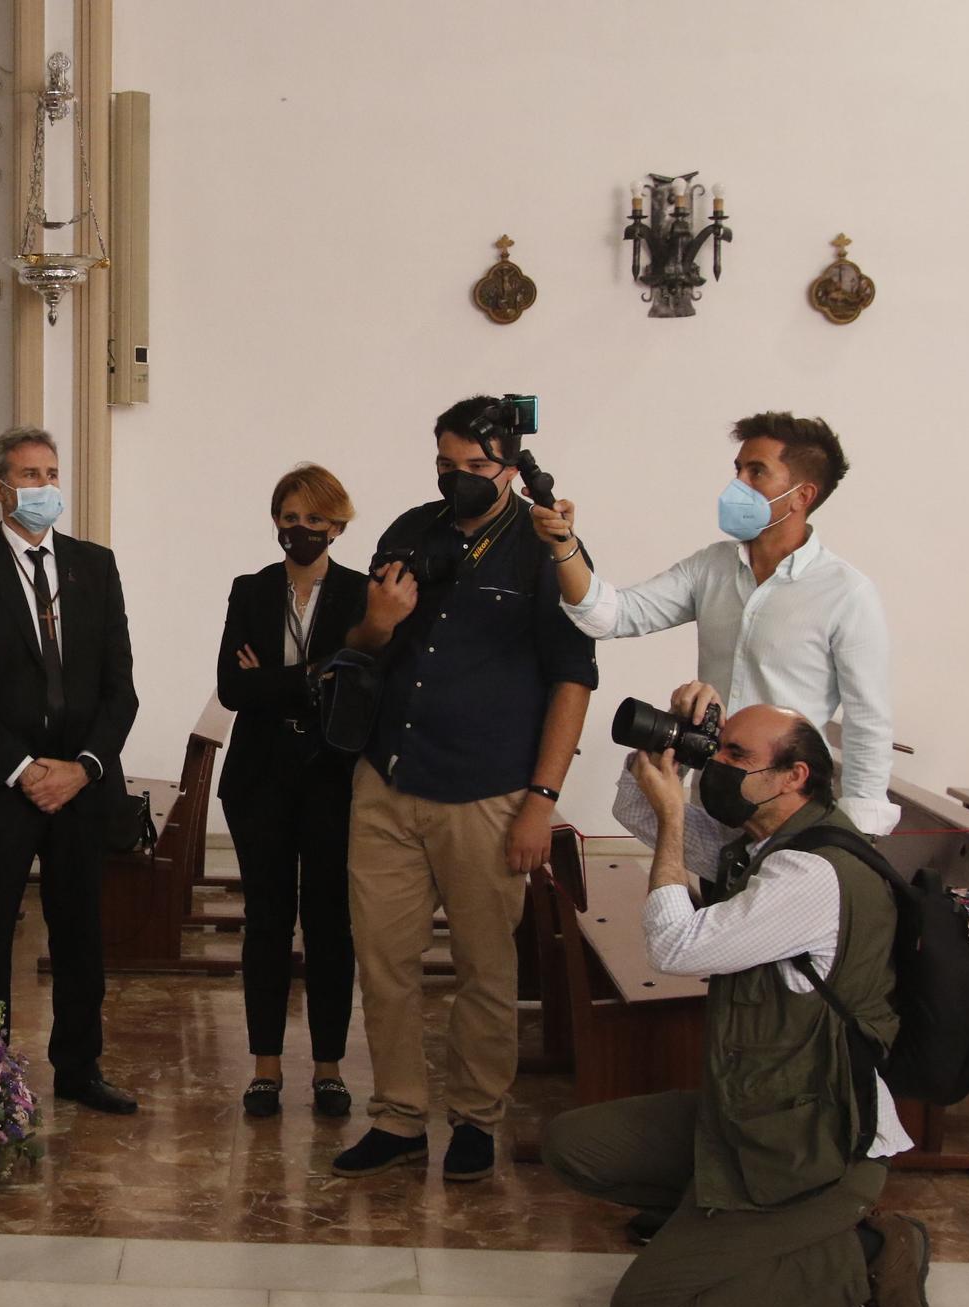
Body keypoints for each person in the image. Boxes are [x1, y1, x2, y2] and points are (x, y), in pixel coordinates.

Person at [543, 690, 931, 1307]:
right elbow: (635, 810)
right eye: (715, 749)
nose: (716, 764)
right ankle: (718, 1221)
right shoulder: (762, 842)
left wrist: (673, 821)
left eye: (733, 755)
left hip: (816, 1150)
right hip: (750, 1120)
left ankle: (870, 1256)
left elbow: (675, 946)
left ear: (792, 777)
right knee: (573, 1147)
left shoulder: (812, 874)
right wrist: (662, 750)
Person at [331, 396, 596, 1182]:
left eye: (475, 469)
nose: (458, 481)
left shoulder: (546, 547)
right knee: (383, 962)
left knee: (486, 968)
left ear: (511, 466)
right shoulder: (411, 530)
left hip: (490, 794)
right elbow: (362, 650)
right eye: (446, 466)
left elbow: (574, 678)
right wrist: (376, 623)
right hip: (390, 779)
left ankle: (478, 1118)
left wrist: (541, 800)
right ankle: (400, 1116)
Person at [531, 412, 897, 834]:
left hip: (789, 811)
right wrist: (563, 544)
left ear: (802, 495)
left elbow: (867, 720)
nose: (738, 483)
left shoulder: (846, 593)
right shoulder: (713, 567)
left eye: (757, 471)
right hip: (715, 799)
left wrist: (858, 833)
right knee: (709, 899)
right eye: (738, 469)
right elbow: (609, 615)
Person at [0, 426, 140, 1115]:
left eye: (51, 473)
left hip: (79, 788)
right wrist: (24, 770)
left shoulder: (94, 566)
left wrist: (80, 768)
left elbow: (119, 688)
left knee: (80, 935)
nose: (44, 487)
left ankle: (80, 1067)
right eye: (29, 475)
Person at [216, 464, 365, 1119]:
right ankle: (266, 1066)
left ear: (337, 525)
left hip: (334, 778)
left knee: (331, 922)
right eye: (288, 516)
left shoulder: (361, 595)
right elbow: (231, 687)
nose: (299, 529)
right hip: (259, 779)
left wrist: (277, 677)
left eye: (313, 519)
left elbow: (360, 684)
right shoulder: (250, 589)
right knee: (267, 921)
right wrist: (311, 678)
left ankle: (329, 1066)